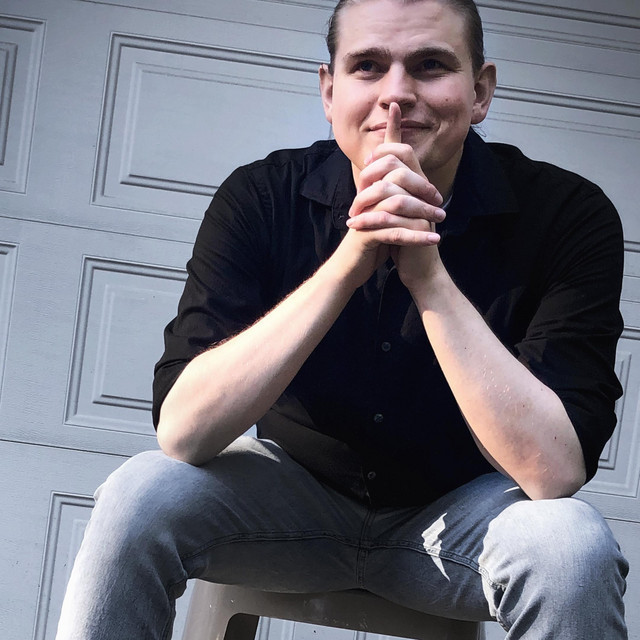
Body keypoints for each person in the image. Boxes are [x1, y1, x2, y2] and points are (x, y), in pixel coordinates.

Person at [56, 0, 629, 637]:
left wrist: (427, 276)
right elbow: (184, 433)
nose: (396, 94)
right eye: (368, 66)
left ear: (480, 92)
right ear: (330, 92)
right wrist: (349, 261)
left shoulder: (568, 216)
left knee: (569, 545)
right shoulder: (261, 196)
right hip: (286, 505)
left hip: (464, 522)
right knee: (138, 495)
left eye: (430, 65)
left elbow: (553, 472)